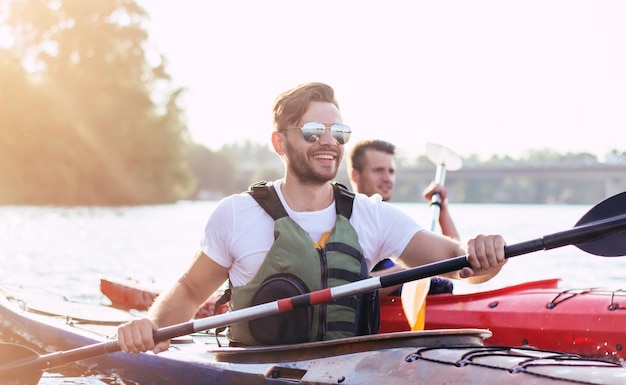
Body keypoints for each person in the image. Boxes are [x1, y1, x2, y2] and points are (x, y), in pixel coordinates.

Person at [117, 82, 506, 354]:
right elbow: (188, 291)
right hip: (255, 369)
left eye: (338, 131)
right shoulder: (237, 214)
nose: (328, 141)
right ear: (279, 142)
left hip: (347, 369)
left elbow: (459, 263)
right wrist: (151, 327)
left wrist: (484, 255)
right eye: (312, 131)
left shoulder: (373, 216)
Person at [348, 140, 458, 296]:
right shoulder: (347, 222)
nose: (387, 178)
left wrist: (442, 210)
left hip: (438, 304)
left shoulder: (392, 221)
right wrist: (412, 266)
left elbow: (456, 260)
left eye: (391, 171)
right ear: (355, 175)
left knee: (441, 282)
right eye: (378, 170)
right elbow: (350, 288)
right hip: (380, 310)